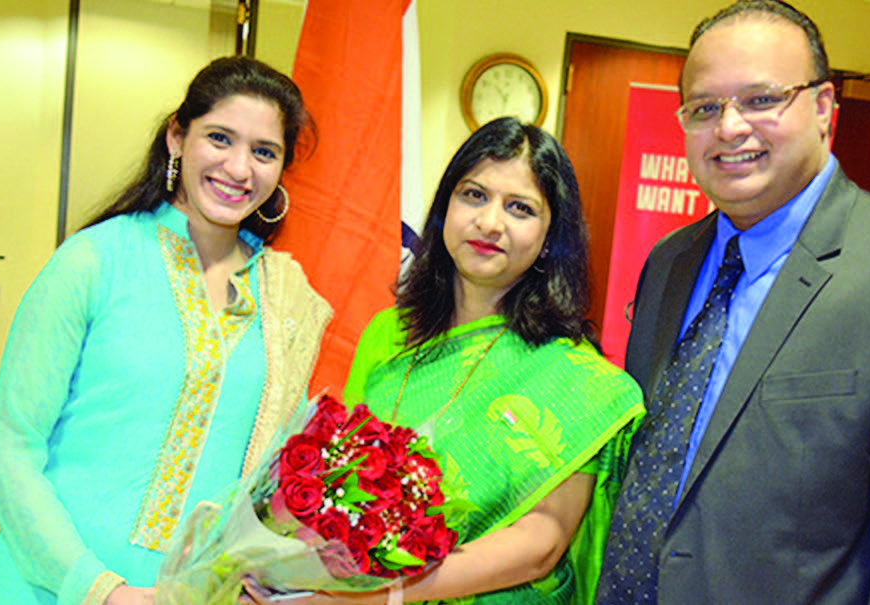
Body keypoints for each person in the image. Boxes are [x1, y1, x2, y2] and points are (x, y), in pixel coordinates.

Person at [595, 1, 870, 604]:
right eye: (705, 108)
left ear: (824, 108)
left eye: (762, 99)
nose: (730, 127)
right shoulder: (669, 261)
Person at [0, 56, 333, 605]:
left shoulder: (287, 299)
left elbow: (268, 480)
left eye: (264, 152)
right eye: (220, 138)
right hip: (43, 587)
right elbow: (10, 452)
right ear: (177, 137)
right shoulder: (93, 261)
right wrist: (99, 590)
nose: (239, 168)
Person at [241, 117, 645, 605]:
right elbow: (337, 488)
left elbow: (543, 542)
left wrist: (375, 599)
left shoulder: (577, 380)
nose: (490, 222)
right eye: (474, 195)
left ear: (549, 237)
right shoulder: (388, 334)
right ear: (445, 207)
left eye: (520, 208)